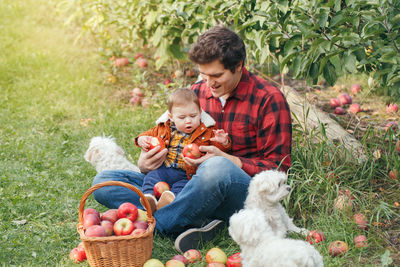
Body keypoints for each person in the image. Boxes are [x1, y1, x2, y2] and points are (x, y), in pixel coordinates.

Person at [91, 25, 292, 253]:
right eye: (204, 75)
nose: (209, 84)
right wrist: (144, 163)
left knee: (216, 167)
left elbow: (279, 171)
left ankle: (155, 225)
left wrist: (228, 159)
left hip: (241, 194)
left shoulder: (268, 100)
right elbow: (166, 134)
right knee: (104, 182)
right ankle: (195, 220)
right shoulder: (197, 93)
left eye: (216, 76)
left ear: (238, 66)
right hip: (185, 184)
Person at [135, 88, 231, 214]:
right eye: (182, 117)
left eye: (193, 116)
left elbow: (217, 149)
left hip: (186, 174)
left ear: (200, 113)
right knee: (151, 178)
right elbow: (147, 135)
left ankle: (169, 201)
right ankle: (149, 199)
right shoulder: (164, 127)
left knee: (182, 188)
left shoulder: (207, 131)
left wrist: (224, 142)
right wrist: (141, 139)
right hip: (165, 169)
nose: (188, 121)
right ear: (171, 117)